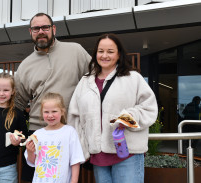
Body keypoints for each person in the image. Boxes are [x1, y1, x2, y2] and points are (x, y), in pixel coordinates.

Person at [67, 33, 158, 183]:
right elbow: (74, 117)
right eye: (101, 51)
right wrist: (83, 147)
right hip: (98, 156)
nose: (104, 55)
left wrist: (128, 118)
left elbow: (149, 107)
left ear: (119, 54)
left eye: (110, 51)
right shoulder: (85, 81)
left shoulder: (133, 78)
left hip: (127, 153)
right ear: (95, 53)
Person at [14, 12, 91, 181]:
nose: (41, 31)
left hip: (70, 130)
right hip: (38, 133)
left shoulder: (75, 51)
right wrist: (17, 132)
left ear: (53, 29)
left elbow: (94, 80)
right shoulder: (25, 66)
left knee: (66, 176)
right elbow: (18, 103)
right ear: (31, 32)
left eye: (45, 27)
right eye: (36, 28)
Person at [25, 92, 85, 183]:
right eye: (46, 112)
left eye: (54, 111)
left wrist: (74, 181)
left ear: (62, 111)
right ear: (42, 113)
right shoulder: (37, 134)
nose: (50, 115)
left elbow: (75, 160)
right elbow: (33, 162)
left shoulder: (69, 132)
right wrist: (30, 151)